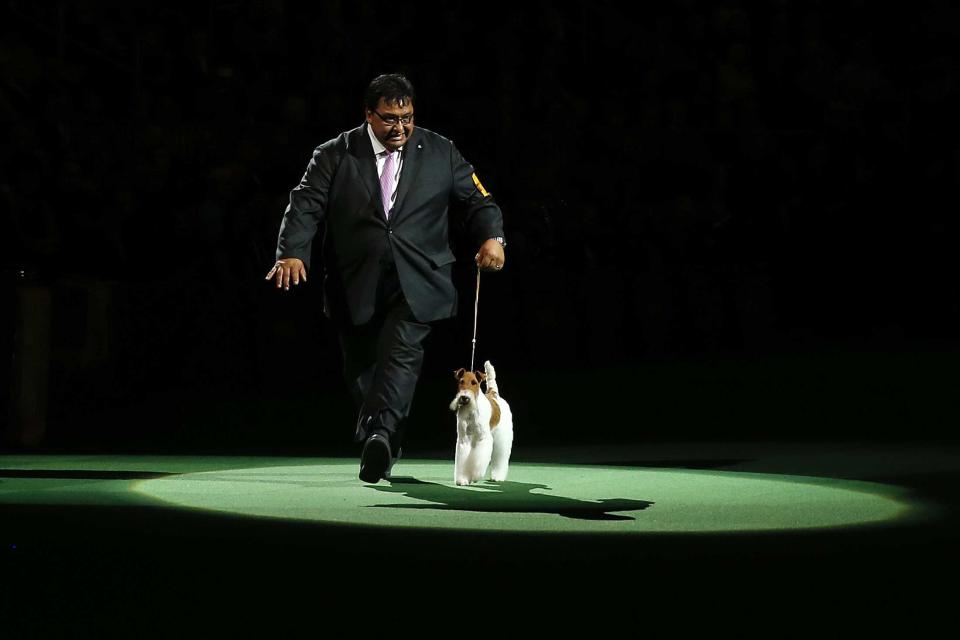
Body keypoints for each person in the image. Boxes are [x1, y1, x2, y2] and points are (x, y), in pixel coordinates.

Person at [266, 73, 506, 483]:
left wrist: (492, 236)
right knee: (361, 369)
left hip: (418, 279)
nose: (399, 128)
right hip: (353, 281)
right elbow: (304, 203)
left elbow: (476, 198)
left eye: (407, 118)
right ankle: (385, 436)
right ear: (368, 115)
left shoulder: (440, 151)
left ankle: (379, 434)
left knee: (400, 355)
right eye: (390, 119)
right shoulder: (335, 153)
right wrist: (291, 251)